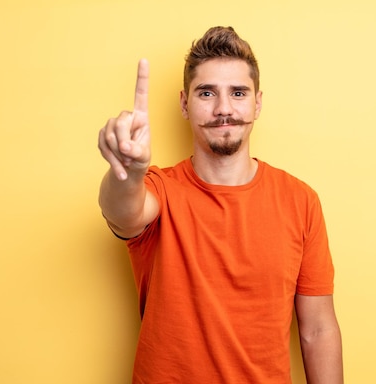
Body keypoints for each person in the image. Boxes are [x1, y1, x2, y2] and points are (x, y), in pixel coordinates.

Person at [98, 26, 343, 384]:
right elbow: (123, 212)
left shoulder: (300, 200)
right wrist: (127, 173)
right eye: (207, 93)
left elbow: (318, 330)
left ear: (257, 102)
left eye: (238, 93)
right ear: (185, 104)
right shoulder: (160, 189)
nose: (223, 109)